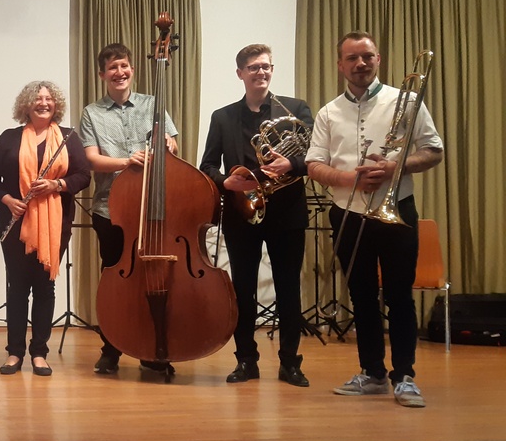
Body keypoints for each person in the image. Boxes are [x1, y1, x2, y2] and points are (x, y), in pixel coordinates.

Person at [306, 32, 444, 408]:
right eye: (351, 58)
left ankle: (405, 377)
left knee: (399, 296)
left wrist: (395, 166)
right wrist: (351, 178)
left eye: (366, 56)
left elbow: (433, 151)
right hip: (348, 213)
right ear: (340, 65)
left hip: (396, 208)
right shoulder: (328, 112)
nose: (360, 64)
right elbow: (314, 165)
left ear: (378, 59)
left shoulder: (408, 101)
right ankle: (372, 373)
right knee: (361, 297)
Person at [200, 44, 313, 387]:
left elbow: (315, 154)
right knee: (243, 289)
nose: (260, 72)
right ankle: (246, 360)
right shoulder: (223, 116)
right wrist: (225, 182)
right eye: (253, 67)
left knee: (289, 290)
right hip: (242, 212)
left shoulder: (295, 109)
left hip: (287, 212)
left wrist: (291, 163)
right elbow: (207, 164)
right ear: (240, 74)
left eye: (265, 67)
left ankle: (290, 363)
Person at [79, 43, 179, 377]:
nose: (119, 73)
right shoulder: (92, 113)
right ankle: (111, 349)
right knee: (115, 283)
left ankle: (153, 349)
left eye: (124, 66)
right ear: (102, 74)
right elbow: (92, 159)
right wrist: (127, 160)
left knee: (152, 282)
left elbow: (172, 144)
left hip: (153, 211)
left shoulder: (154, 104)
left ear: (132, 69)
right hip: (111, 211)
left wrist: (168, 144)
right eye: (112, 68)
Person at [0, 81, 90, 377]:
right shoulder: (9, 137)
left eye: (48, 99)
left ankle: (39, 353)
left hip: (54, 224)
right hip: (14, 223)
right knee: (17, 288)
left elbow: (84, 176)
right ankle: (14, 352)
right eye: (37, 99)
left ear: (55, 104)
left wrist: (57, 184)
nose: (43, 103)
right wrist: (8, 201)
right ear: (26, 105)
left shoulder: (69, 138)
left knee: (45, 288)